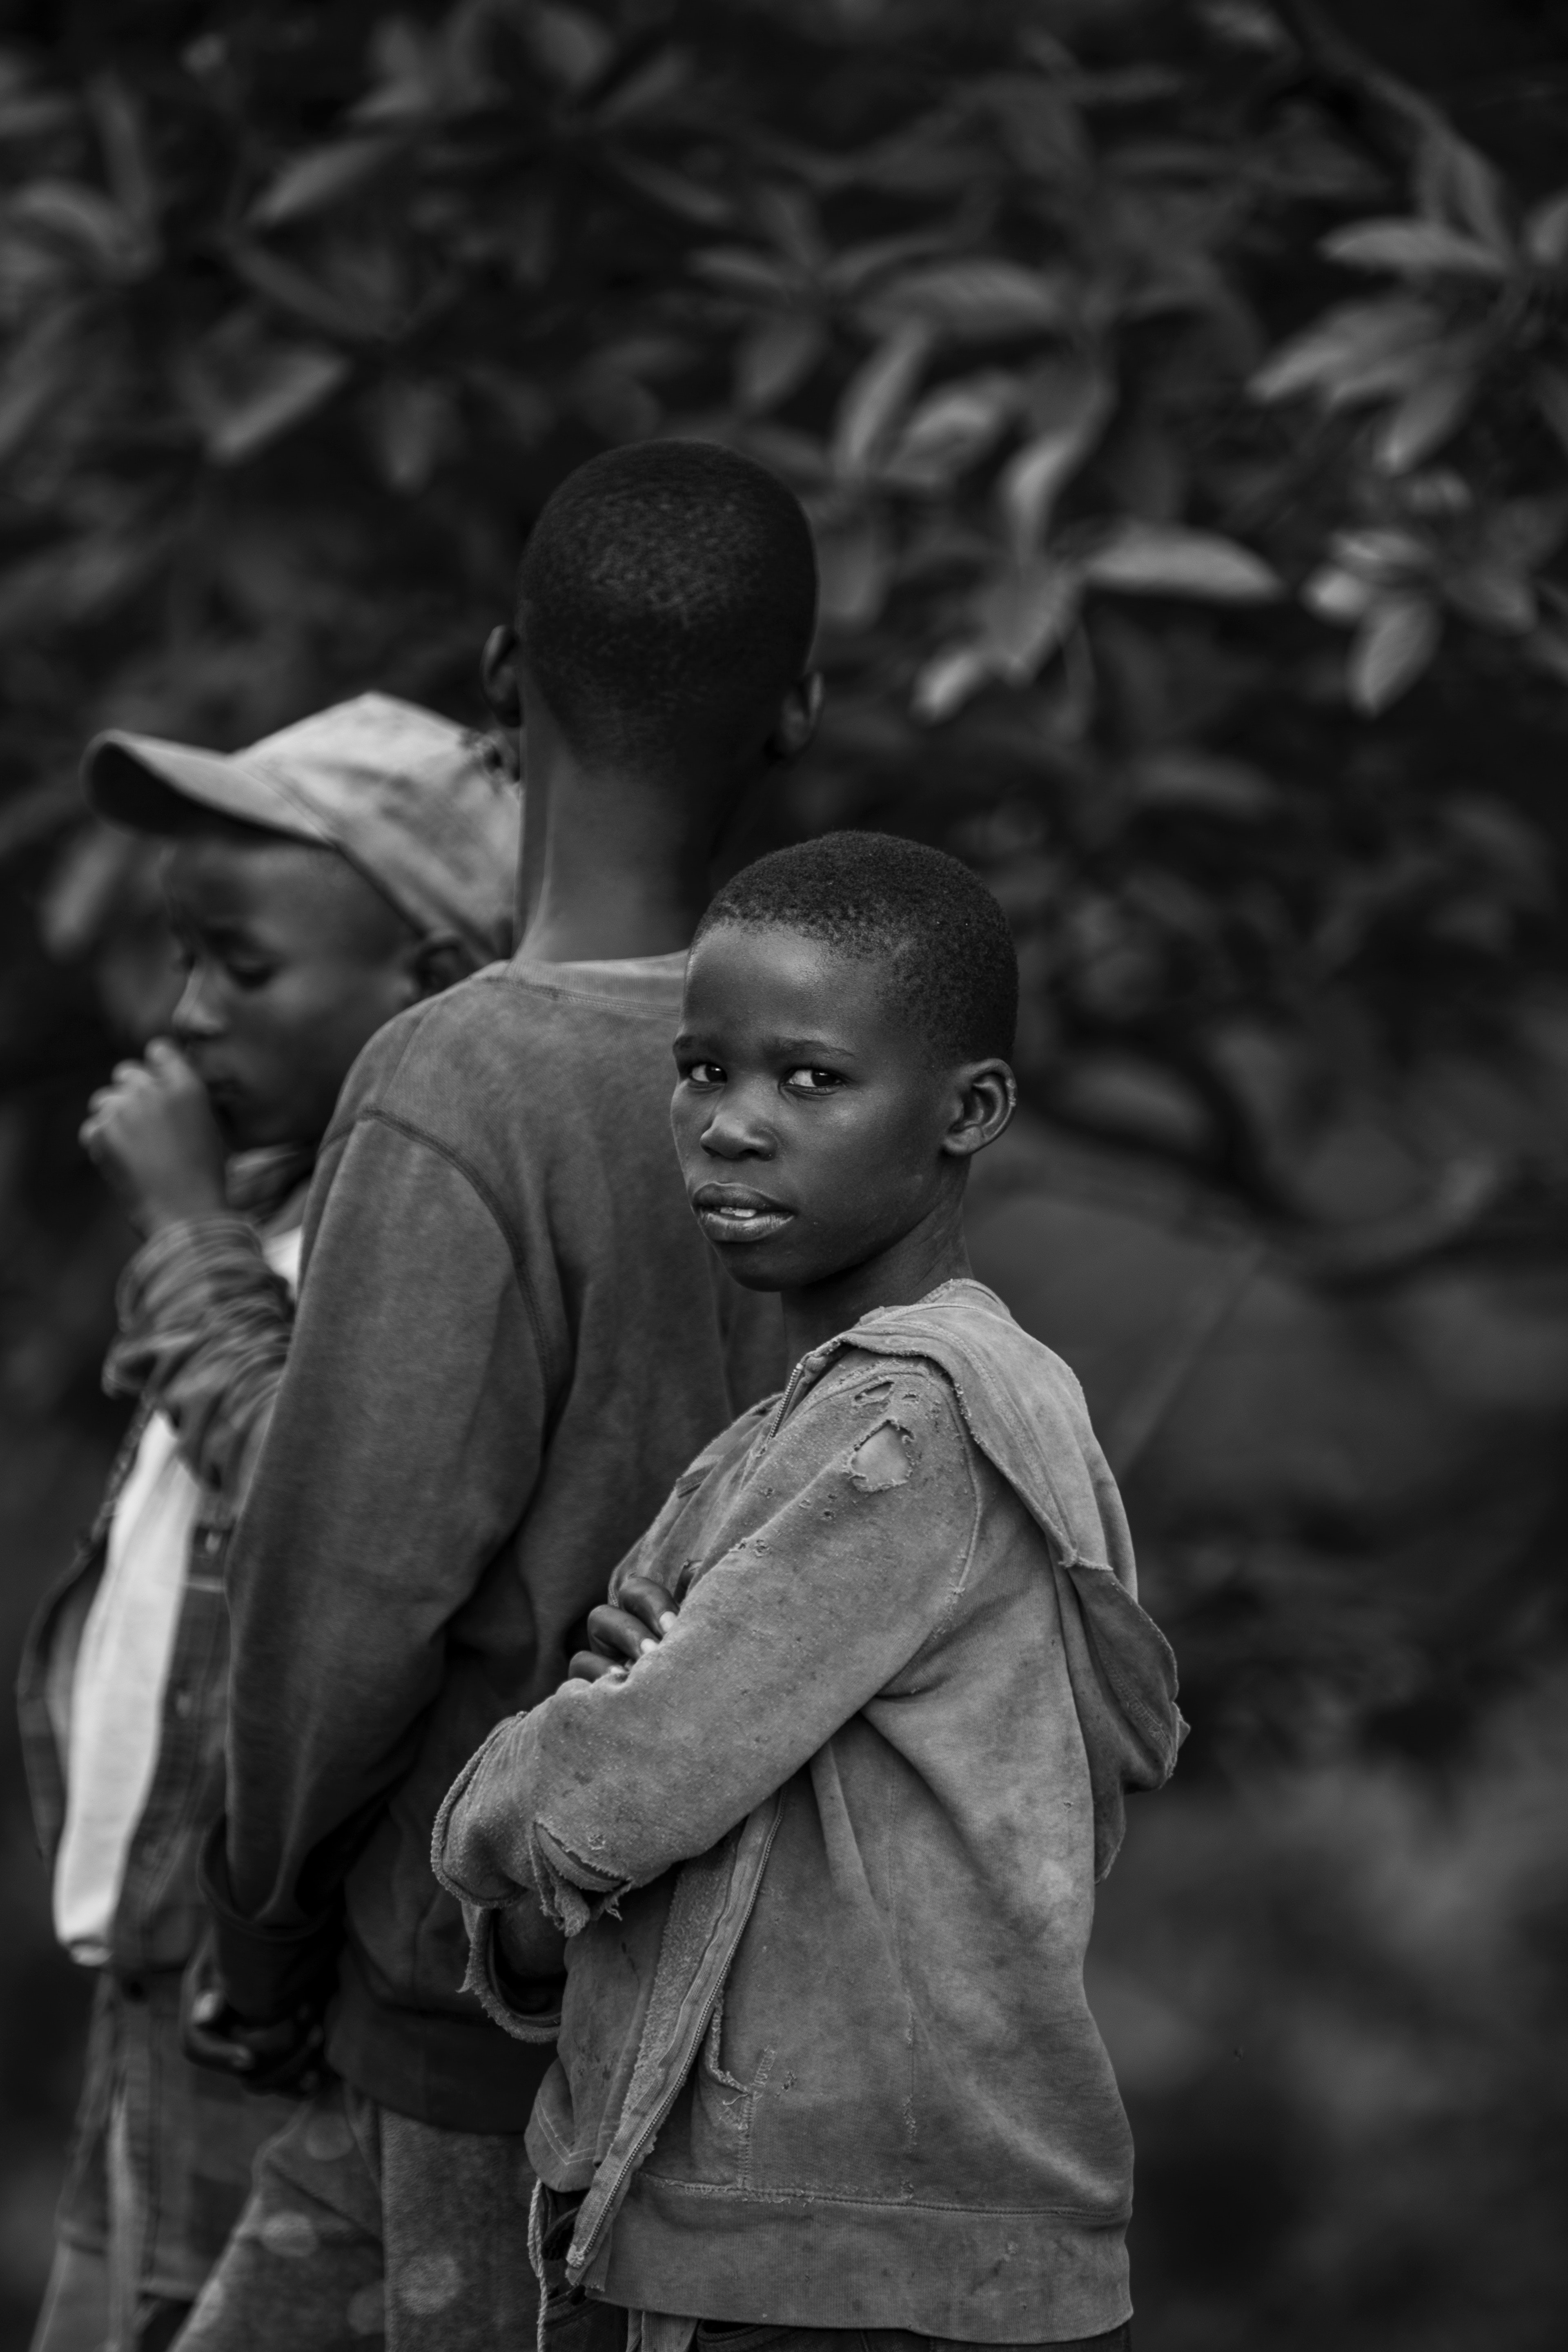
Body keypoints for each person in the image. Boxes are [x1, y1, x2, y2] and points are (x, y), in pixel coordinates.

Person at [176, 442, 820, 2352]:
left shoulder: (465, 1085)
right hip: (746, 2021)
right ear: (799, 709)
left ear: (494, 678)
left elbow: (346, 1599)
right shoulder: (869, 1099)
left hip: (467, 2033)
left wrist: (259, 1928)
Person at [435, 832, 1187, 2352]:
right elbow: (616, 1843)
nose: (730, 1128)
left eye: (810, 1080)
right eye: (702, 1071)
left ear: (968, 1111)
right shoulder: (809, 1423)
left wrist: (532, 1767)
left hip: (828, 2263)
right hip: (799, 2242)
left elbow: (599, 1802)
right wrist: (622, 1739)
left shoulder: (908, 1426)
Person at [18, 694, 520, 2352]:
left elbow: (324, 1515)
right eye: (183, 959)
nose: (182, 1015)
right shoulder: (274, 1218)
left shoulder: (421, 1256)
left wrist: (177, 1237)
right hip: (157, 1991)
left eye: (242, 968)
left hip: (276, 2029)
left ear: (435, 989)